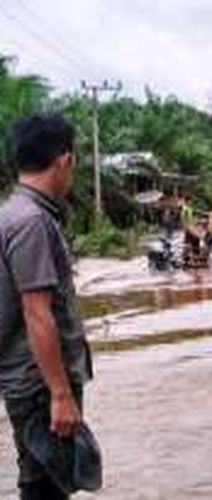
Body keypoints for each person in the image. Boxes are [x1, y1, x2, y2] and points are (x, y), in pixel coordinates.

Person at [0, 115, 94, 499]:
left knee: (40, 480)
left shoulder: (12, 213)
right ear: (64, 159)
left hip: (26, 378)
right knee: (47, 487)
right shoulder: (32, 222)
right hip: (39, 383)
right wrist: (60, 393)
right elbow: (37, 311)